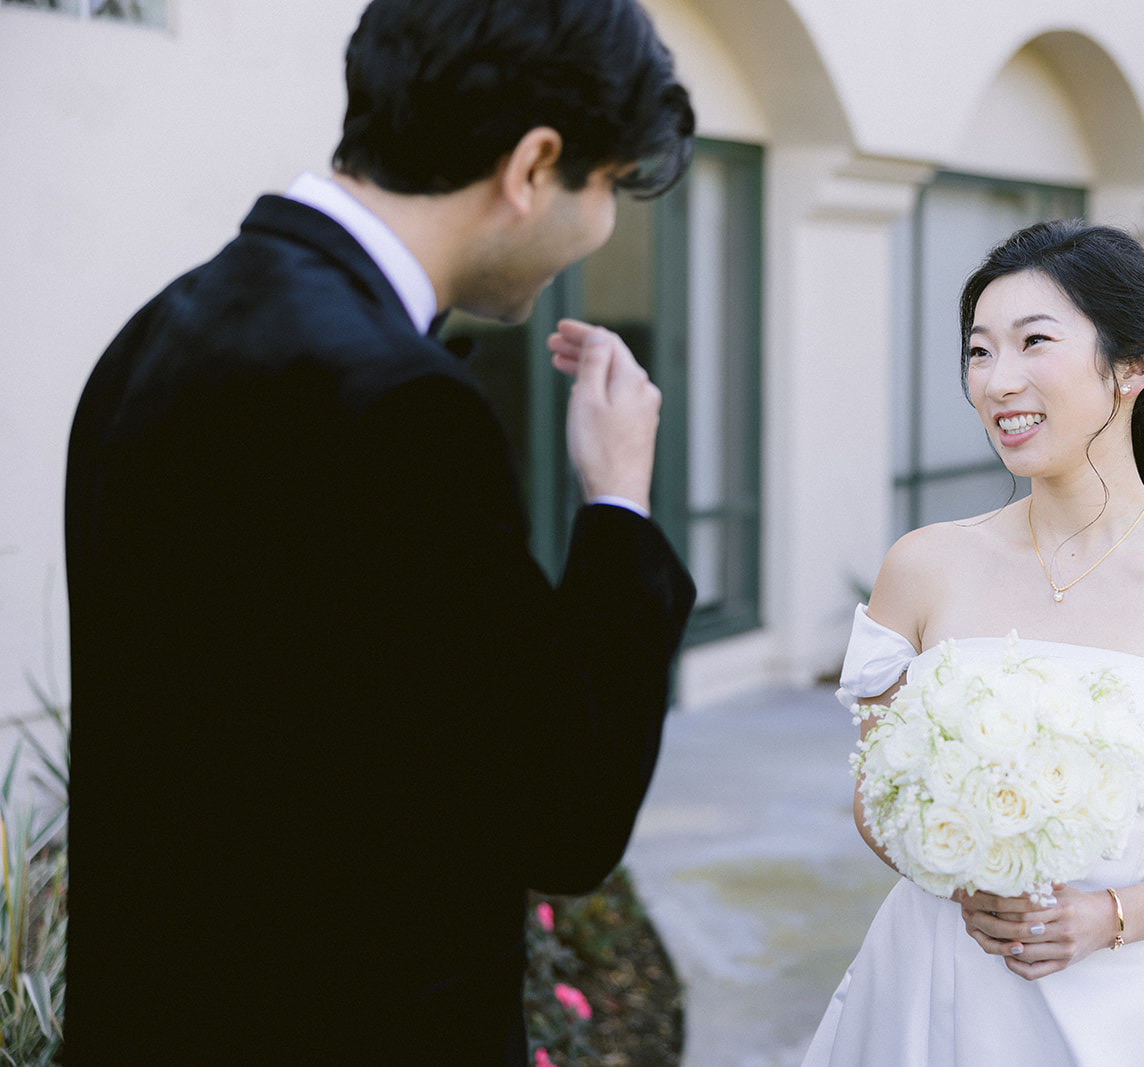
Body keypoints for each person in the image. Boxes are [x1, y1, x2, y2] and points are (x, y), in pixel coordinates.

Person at [63, 1, 696, 1062]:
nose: (603, 230)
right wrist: (617, 504)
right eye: (608, 190)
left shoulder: (163, 324)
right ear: (533, 165)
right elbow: (564, 815)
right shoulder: (402, 407)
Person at [802, 220, 1144, 1066]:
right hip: (936, 972)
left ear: (1133, 366)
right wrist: (955, 866)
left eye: (1033, 342)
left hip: (1139, 1002)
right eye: (979, 351)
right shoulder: (922, 567)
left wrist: (1109, 915)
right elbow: (877, 795)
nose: (997, 380)